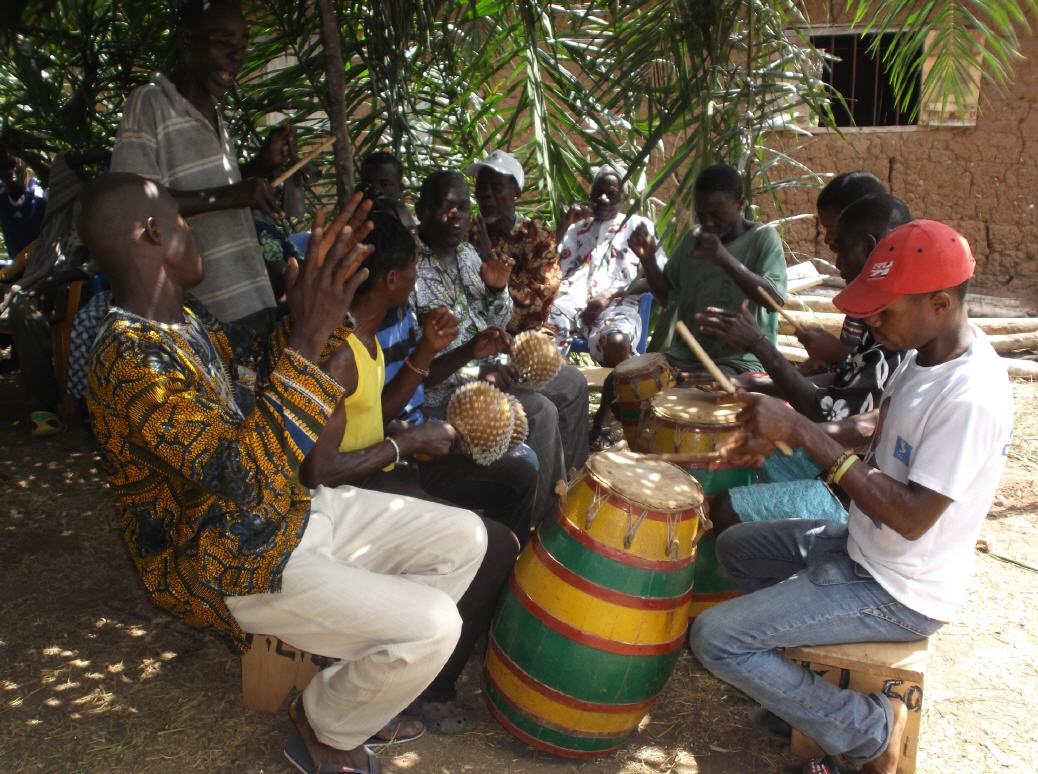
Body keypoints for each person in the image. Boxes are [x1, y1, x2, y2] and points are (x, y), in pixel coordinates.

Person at [83, 173, 487, 774]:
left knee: (466, 539)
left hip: (289, 509)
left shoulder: (188, 323)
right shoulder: (128, 361)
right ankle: (330, 722)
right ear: (151, 233)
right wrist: (309, 331)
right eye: (183, 219)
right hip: (227, 555)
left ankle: (351, 677)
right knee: (435, 628)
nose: (195, 233)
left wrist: (303, 313)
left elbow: (261, 363)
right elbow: (237, 472)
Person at [689, 220, 1013, 774]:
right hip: (866, 548)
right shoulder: (924, 356)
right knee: (735, 548)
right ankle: (809, 700)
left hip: (900, 592)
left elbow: (911, 517)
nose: (869, 320)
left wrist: (805, 435)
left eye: (885, 310)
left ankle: (866, 732)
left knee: (715, 639)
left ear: (938, 303)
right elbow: (873, 426)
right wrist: (778, 437)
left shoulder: (971, 398)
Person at [300, 207, 527, 733]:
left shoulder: (370, 335)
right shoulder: (339, 350)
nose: (420, 281)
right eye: (414, 272)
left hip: (379, 470)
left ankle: (470, 620)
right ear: (394, 279)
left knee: (515, 475)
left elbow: (372, 412)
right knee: (493, 545)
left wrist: (426, 351)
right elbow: (320, 470)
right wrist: (407, 444)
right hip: (348, 493)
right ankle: (428, 686)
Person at [697, 194, 912, 532]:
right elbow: (850, 391)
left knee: (726, 509)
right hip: (841, 461)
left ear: (870, 246)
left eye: (838, 244)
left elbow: (833, 413)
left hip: (856, 494)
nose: (830, 248)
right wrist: (763, 383)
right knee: (747, 471)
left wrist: (759, 346)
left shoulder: (897, 330)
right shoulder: (885, 321)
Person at [413, 170, 586, 523]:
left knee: (572, 384)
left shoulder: (466, 254)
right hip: (452, 390)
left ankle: (569, 488)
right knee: (539, 411)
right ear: (423, 210)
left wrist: (496, 289)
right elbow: (419, 363)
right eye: (448, 208)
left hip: (493, 365)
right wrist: (480, 370)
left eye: (463, 207)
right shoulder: (410, 269)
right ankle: (537, 521)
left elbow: (499, 317)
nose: (458, 217)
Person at [110, 0, 293, 336]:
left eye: (242, 46)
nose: (237, 57)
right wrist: (234, 194)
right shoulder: (149, 102)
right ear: (187, 39)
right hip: (205, 315)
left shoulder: (214, 111)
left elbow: (217, 190)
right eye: (224, 42)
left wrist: (259, 167)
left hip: (252, 296)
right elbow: (135, 206)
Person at [638, 163, 787, 378]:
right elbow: (666, 296)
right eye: (701, 214)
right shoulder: (693, 239)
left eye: (717, 213)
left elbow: (774, 299)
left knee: (703, 387)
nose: (708, 222)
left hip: (740, 359)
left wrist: (725, 259)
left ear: (739, 204)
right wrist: (648, 259)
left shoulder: (762, 237)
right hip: (687, 354)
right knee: (621, 383)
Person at [548, 164, 666, 367]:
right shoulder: (577, 226)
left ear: (624, 198)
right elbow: (545, 264)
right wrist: (565, 224)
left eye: (611, 194)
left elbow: (659, 278)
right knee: (539, 341)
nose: (603, 199)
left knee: (616, 343)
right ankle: (559, 393)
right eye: (598, 192)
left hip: (616, 306)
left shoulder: (638, 226)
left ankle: (613, 397)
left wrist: (612, 293)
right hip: (566, 307)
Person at [797, 171, 888, 366]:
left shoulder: (892, 300)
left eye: (832, 229)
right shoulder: (861, 285)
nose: (828, 240)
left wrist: (838, 354)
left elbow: (876, 372)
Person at [467, 150, 560, 334]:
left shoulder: (537, 239)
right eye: (481, 187)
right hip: (468, 328)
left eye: (496, 187)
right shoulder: (466, 232)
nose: (486, 194)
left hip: (523, 334)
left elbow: (537, 305)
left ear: (516, 192)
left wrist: (488, 260)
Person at [0, 152, 46, 260]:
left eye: (13, 167)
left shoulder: (38, 193)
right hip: (21, 261)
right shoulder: (3, 198)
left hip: (41, 257)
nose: (11, 173)